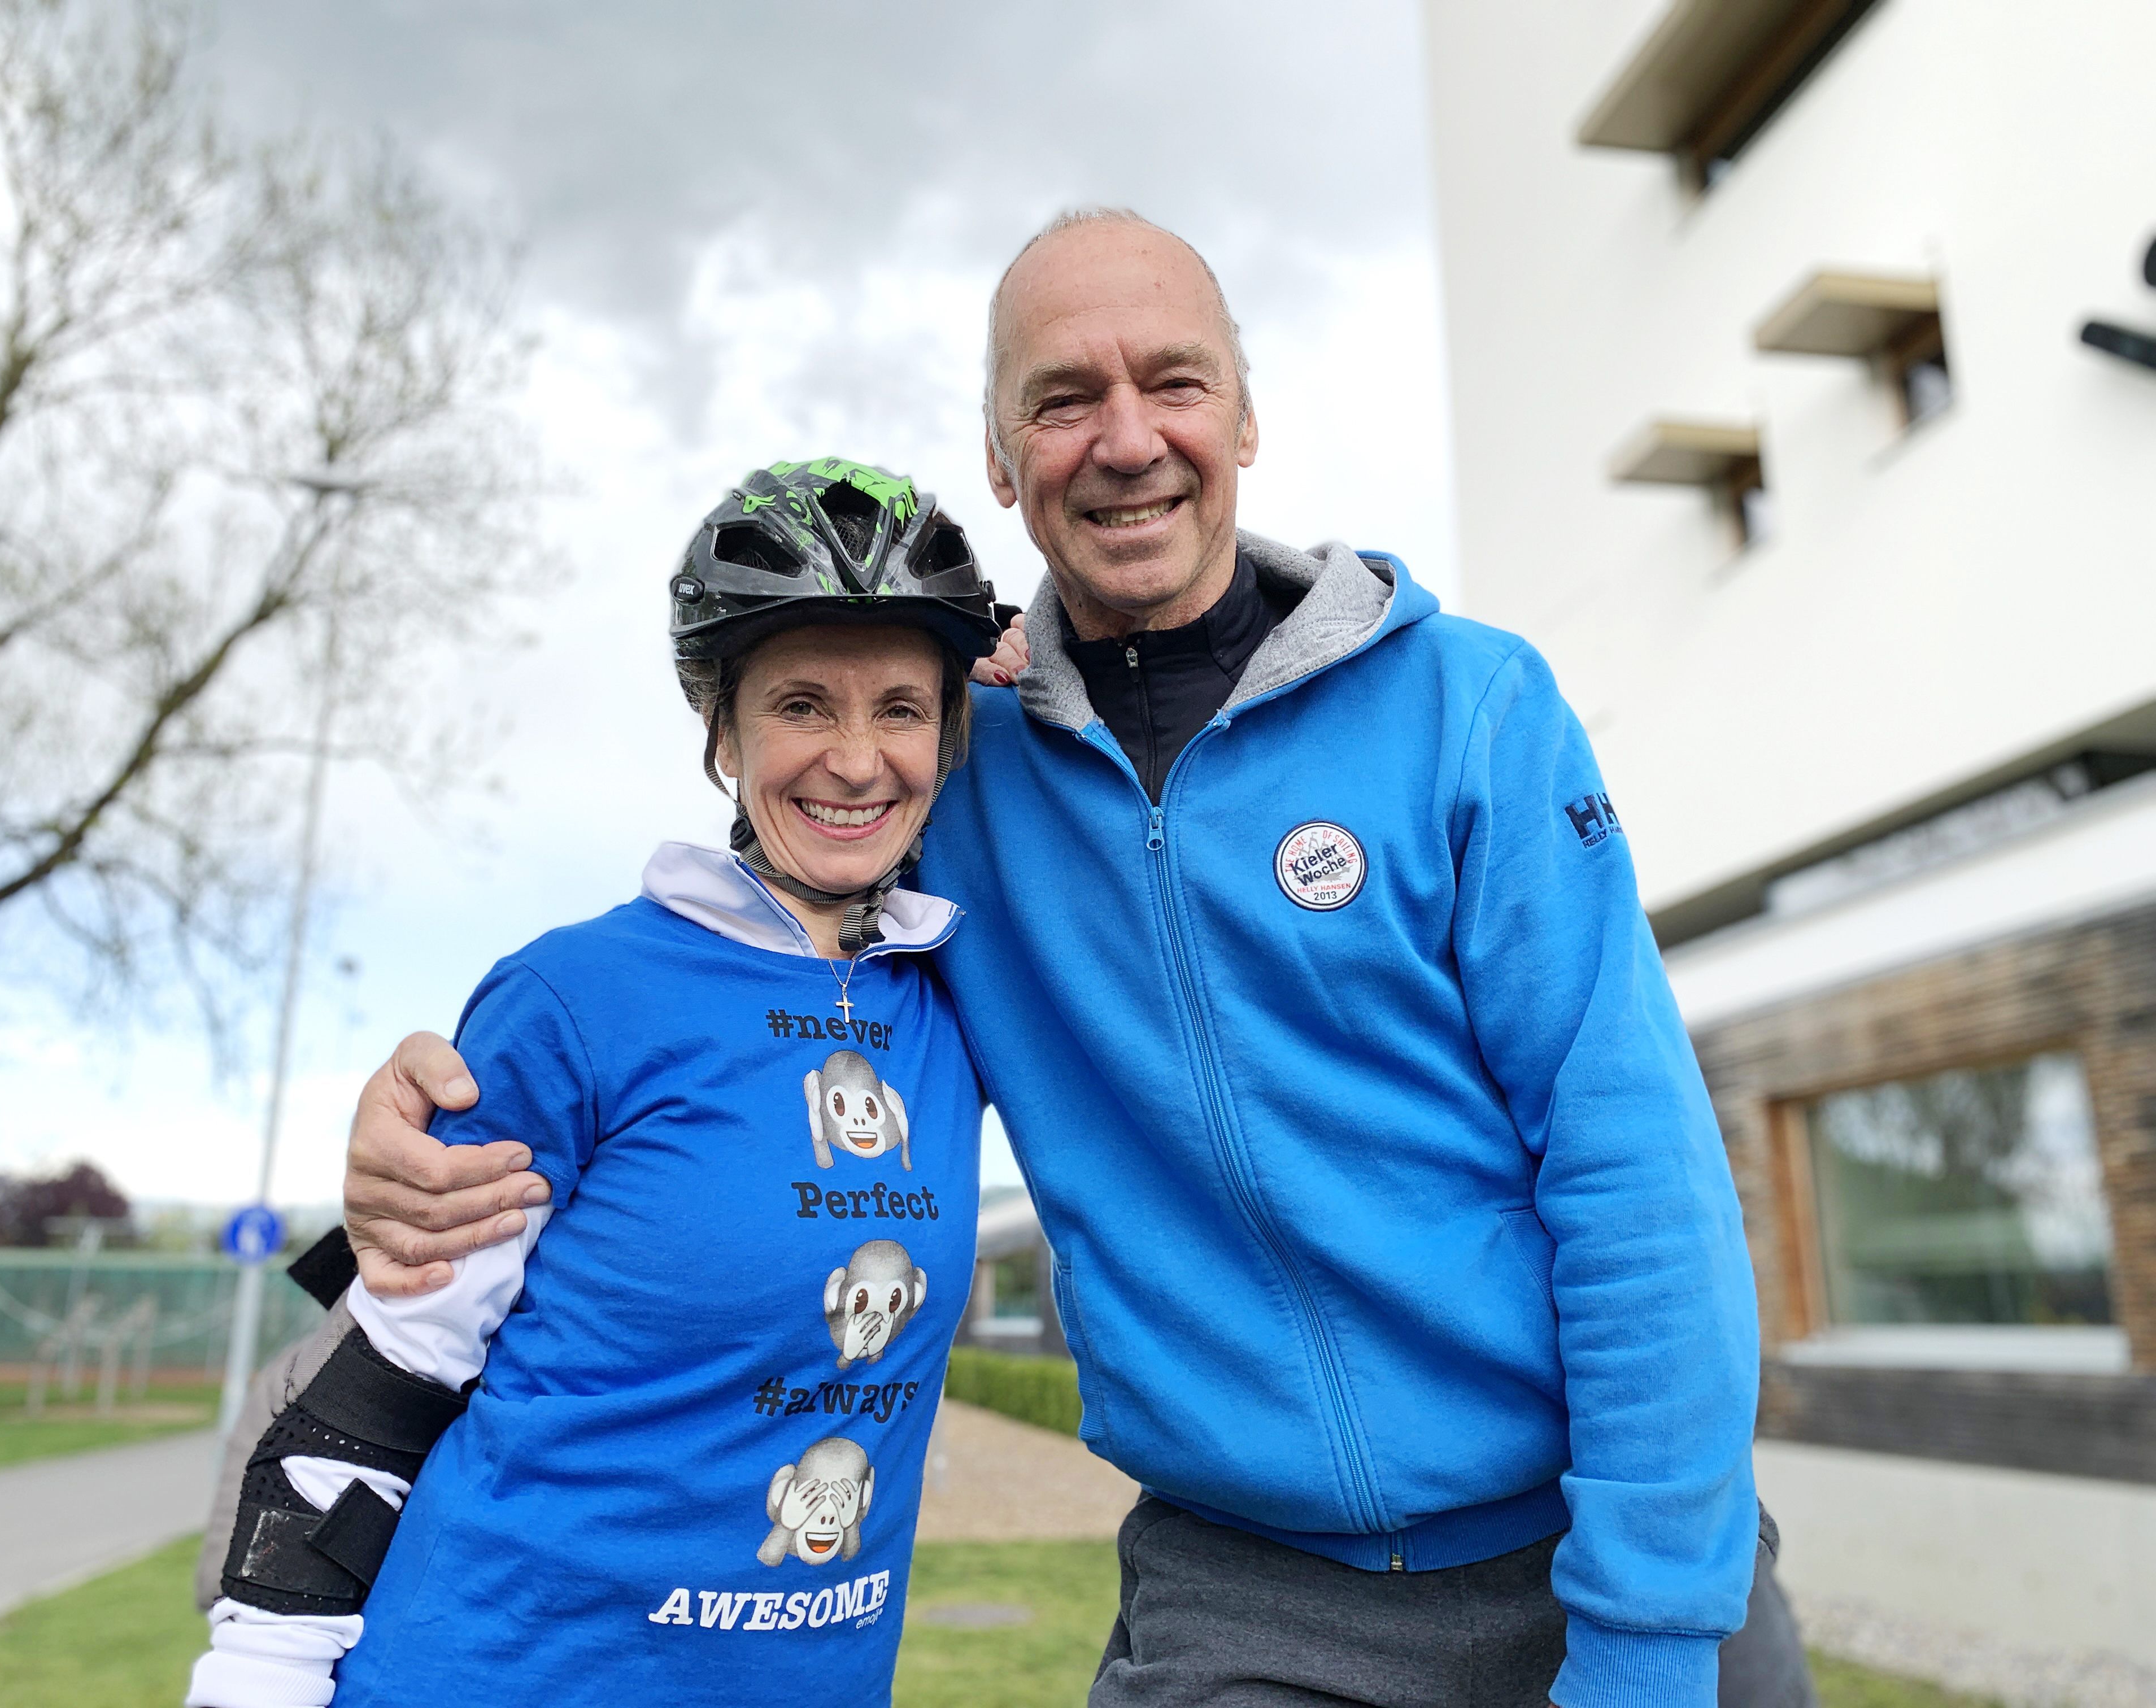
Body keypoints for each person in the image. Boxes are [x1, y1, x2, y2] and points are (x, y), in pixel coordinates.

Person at [337, 211, 1817, 1708]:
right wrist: (435, 1103)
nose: (1126, 442)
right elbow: (733, 956)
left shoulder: (1471, 708)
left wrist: (1645, 1635)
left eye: (1173, 383)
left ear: (1245, 415)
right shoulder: (950, 771)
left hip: (1599, 1554)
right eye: (1061, 400)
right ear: (1001, 461)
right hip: (1250, 1598)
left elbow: (1636, 1181)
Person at [186, 459, 1025, 1708]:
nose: (857, 760)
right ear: (722, 731)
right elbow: (380, 1383)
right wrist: (252, 1682)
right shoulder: (575, 996)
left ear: (951, 733)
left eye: (901, 709)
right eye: (802, 703)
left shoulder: (954, 995)